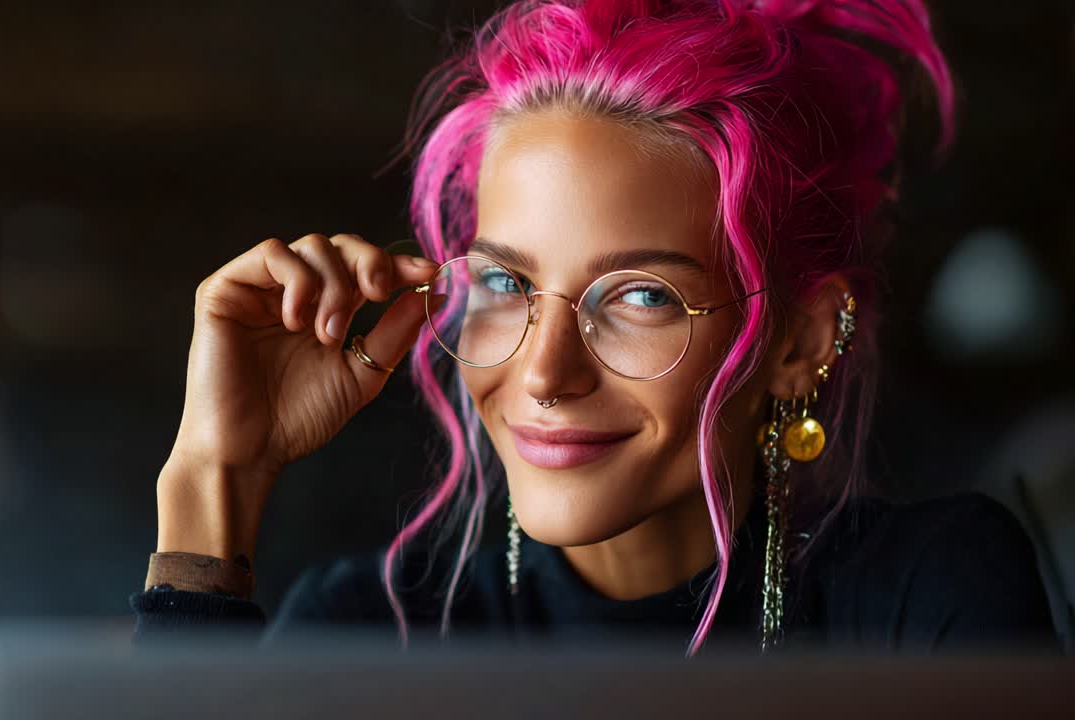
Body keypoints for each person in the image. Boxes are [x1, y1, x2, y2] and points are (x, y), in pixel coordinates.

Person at [131, 0, 1059, 657]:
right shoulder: (367, 634)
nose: (546, 371)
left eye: (641, 296)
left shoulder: (927, 601)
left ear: (800, 343)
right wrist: (217, 478)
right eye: (503, 280)